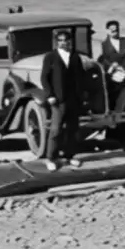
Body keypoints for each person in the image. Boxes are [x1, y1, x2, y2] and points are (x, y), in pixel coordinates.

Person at [40, 29, 88, 162]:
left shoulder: (75, 56)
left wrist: (81, 96)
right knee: (56, 130)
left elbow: (80, 77)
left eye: (65, 40)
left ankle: (69, 155)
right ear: (56, 42)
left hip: (73, 99)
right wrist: (50, 95)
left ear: (70, 42)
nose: (63, 43)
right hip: (58, 99)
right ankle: (51, 158)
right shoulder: (50, 57)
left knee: (73, 129)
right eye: (60, 40)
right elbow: (44, 77)